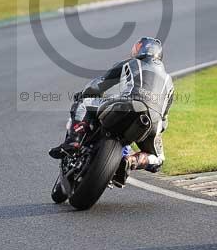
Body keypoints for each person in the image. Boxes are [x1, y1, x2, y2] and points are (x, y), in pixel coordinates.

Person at [48, 37, 175, 185]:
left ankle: (74, 142)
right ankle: (132, 160)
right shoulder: (169, 81)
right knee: (158, 160)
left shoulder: (132, 63)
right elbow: (164, 119)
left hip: (127, 105)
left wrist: (84, 93)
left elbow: (98, 85)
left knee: (83, 103)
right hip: (153, 121)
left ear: (142, 49)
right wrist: (156, 128)